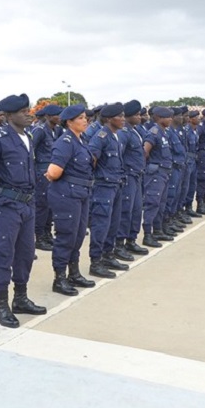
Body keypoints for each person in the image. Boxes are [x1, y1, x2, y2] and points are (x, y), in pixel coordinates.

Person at [0, 93, 46, 329]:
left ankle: (20, 297)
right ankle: (2, 305)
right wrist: (2, 188)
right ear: (9, 116)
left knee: (25, 253)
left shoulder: (27, 136)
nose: (27, 114)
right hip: (7, 205)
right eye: (22, 112)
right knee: (3, 254)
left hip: (27, 204)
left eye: (27, 110)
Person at [44, 104, 96, 296]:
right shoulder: (65, 141)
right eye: (81, 118)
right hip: (66, 194)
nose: (85, 120)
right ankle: (60, 277)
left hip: (81, 192)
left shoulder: (81, 140)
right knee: (66, 235)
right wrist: (52, 174)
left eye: (85, 117)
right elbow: (54, 171)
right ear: (70, 122)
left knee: (78, 234)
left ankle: (73, 272)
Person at [87, 103, 130, 277]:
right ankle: (95, 261)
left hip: (116, 184)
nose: (123, 119)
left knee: (113, 223)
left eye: (123, 115)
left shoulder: (116, 136)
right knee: (101, 224)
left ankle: (107, 255)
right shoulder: (101, 136)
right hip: (103, 186)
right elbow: (92, 159)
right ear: (109, 119)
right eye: (119, 116)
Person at [116, 100, 149, 257]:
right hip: (128, 176)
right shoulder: (124, 133)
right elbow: (118, 155)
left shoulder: (134, 131)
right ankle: (120, 244)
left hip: (137, 176)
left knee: (136, 210)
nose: (140, 117)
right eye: (136, 115)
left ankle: (131, 240)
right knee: (126, 210)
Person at [142, 106, 175, 247]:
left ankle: (157, 230)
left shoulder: (164, 132)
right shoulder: (154, 132)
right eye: (168, 117)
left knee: (161, 204)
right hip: (156, 174)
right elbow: (145, 151)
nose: (170, 119)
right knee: (152, 203)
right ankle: (147, 234)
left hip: (164, 173)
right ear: (160, 118)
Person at [33, 104, 62, 251]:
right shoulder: (40, 131)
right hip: (41, 172)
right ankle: (39, 237)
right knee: (42, 205)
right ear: (49, 116)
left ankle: (47, 233)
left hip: (51, 171)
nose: (60, 117)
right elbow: (31, 151)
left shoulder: (56, 130)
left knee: (50, 205)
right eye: (57, 114)